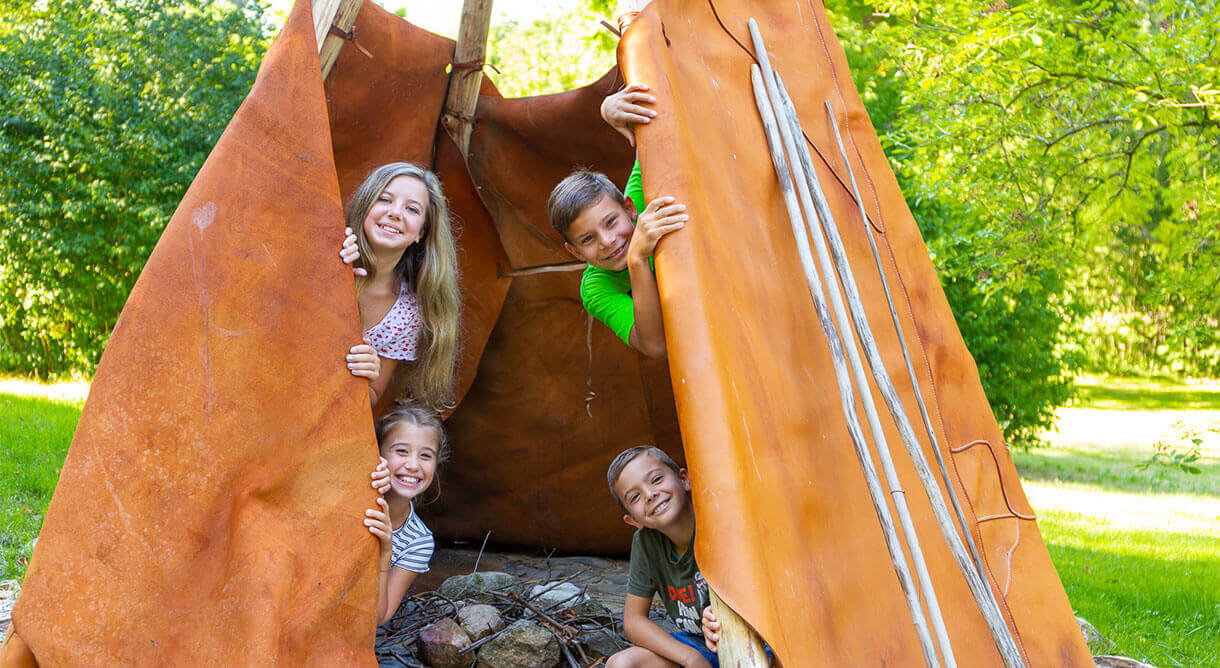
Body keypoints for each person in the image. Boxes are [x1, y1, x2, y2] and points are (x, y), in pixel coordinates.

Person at [546, 84, 686, 359]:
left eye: (610, 222)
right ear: (574, 252)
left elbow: (661, 119)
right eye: (588, 239)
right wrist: (637, 258)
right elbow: (655, 345)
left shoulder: (646, 188)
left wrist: (609, 108)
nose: (608, 241)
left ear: (630, 209)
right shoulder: (596, 288)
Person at [338, 163, 460, 409]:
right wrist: (327, 271)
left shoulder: (407, 315)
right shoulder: (328, 247)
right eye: (384, 199)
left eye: (412, 209)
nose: (395, 213)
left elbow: (370, 397)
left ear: (421, 233)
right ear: (365, 206)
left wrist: (368, 377)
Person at [604, 446, 720, 668]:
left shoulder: (714, 520)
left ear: (684, 479)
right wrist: (690, 657)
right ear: (633, 521)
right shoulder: (646, 544)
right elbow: (634, 621)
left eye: (656, 479)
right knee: (621, 664)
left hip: (752, 640)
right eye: (635, 496)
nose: (650, 494)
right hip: (698, 645)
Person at [362, 401, 449, 625]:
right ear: (377, 452)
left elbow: (380, 617)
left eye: (425, 455)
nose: (412, 465)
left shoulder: (419, 541)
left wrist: (384, 552)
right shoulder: (353, 500)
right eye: (401, 451)